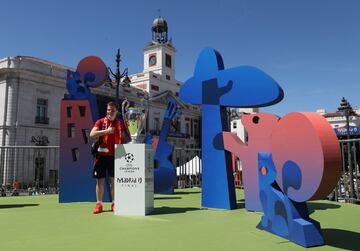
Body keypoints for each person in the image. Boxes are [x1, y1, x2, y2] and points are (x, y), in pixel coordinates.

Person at [90, 101, 130, 214]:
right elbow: (92, 134)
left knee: (114, 182)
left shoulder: (121, 123)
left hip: (115, 156)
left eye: (112, 110)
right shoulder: (100, 122)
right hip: (101, 156)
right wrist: (106, 131)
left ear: (116, 111)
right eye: (108, 110)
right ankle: (99, 204)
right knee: (100, 182)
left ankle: (114, 203)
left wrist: (124, 138)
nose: (109, 112)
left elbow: (128, 138)